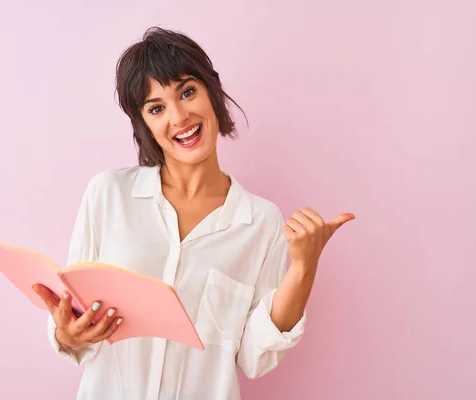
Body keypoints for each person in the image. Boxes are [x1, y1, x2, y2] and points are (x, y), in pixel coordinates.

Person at [32, 26, 355, 400]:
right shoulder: (108, 195)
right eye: (157, 108)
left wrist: (304, 267)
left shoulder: (261, 220)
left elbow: (255, 356)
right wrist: (66, 334)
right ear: (145, 124)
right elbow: (77, 319)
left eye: (187, 92)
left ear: (212, 92)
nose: (180, 116)